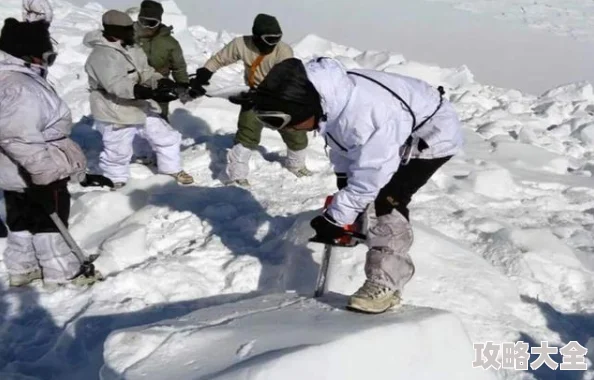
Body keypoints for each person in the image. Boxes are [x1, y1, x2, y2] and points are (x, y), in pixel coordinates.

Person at [250, 57, 464, 313]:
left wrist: (337, 217)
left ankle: (386, 284)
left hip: (432, 136)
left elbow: (372, 174)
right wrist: (343, 178)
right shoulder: (328, 99)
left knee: (385, 200)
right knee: (360, 193)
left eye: (283, 121)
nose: (286, 129)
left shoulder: (369, 114)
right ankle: (368, 231)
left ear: (305, 108)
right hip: (397, 128)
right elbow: (342, 141)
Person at [0, 18, 109, 287]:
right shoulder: (20, 87)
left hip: (13, 172)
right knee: (49, 221)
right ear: (27, 55)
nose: (49, 62)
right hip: (36, 168)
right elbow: (19, 137)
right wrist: (46, 176)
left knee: (22, 220)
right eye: (47, 56)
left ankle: (23, 268)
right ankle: (63, 272)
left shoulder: (13, 78)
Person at [190, 14, 310, 187]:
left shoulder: (283, 51)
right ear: (256, 36)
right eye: (269, 39)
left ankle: (296, 165)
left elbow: (287, 80)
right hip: (254, 95)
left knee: (295, 133)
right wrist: (205, 73)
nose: (273, 43)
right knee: (247, 134)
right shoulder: (241, 44)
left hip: (281, 97)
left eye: (277, 38)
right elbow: (219, 59)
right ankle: (237, 175)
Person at [84, 10, 194, 189]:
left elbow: (145, 72)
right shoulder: (102, 55)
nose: (132, 31)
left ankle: (170, 169)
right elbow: (116, 85)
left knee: (167, 136)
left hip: (138, 104)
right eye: (128, 29)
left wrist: (161, 82)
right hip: (114, 109)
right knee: (117, 151)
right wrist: (146, 92)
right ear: (115, 31)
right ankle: (116, 180)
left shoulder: (131, 47)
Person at [135, 0, 191, 121]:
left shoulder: (170, 43)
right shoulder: (127, 36)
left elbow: (179, 67)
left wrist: (182, 86)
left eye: (152, 23)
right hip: (132, 88)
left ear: (159, 23)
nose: (146, 27)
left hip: (159, 89)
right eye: (143, 22)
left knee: (159, 122)